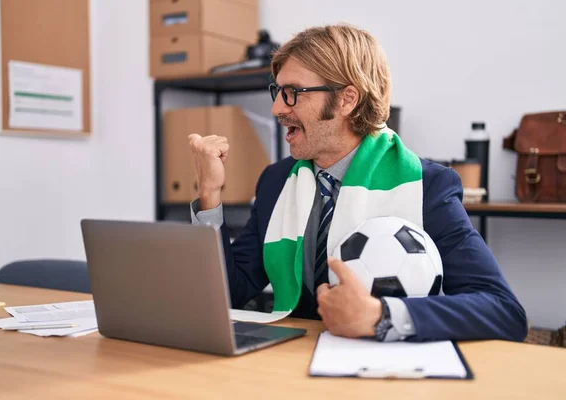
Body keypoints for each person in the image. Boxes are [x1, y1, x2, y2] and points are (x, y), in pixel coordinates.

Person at [187, 24, 527, 342]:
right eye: (277, 91)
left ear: (347, 99)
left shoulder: (428, 186)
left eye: (292, 93)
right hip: (291, 363)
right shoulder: (276, 181)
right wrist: (209, 195)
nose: (277, 107)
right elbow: (231, 291)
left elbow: (503, 311)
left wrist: (380, 316)